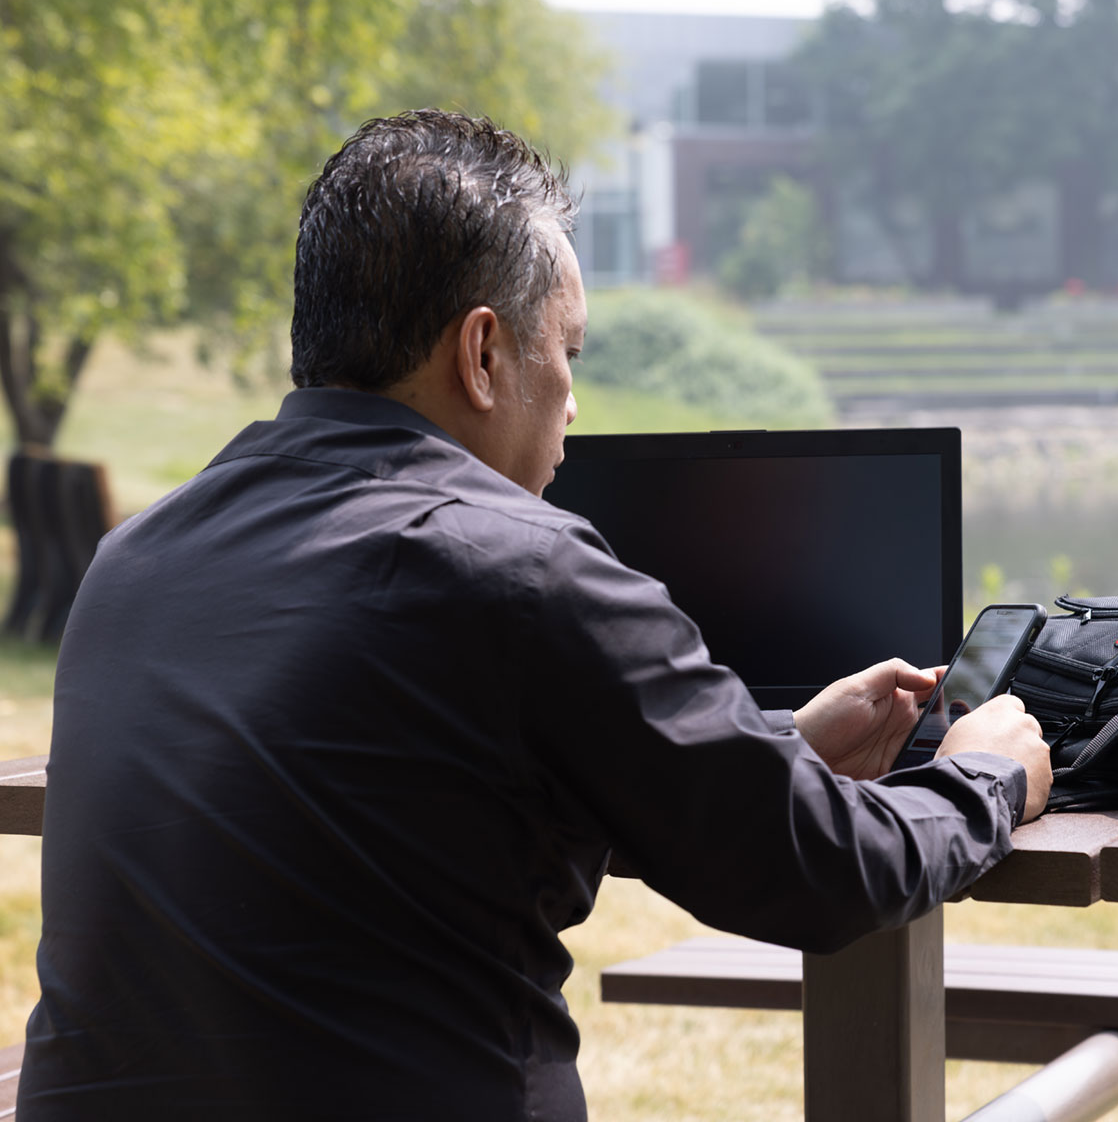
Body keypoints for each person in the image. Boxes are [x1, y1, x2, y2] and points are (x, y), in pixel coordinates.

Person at [18, 110, 1052, 1121]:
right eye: (570, 351)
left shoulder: (136, 559)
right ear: (484, 355)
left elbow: (398, 800)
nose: (572, 400)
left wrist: (774, 746)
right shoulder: (515, 565)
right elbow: (824, 875)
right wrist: (984, 776)